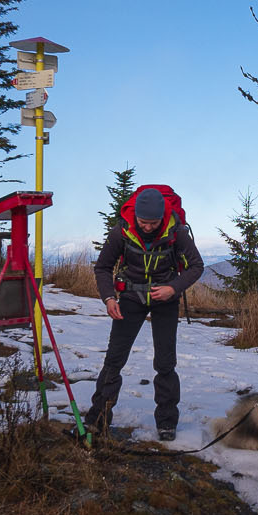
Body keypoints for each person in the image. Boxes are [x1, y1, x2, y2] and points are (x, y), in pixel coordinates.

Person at [89, 186, 203, 441]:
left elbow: (197, 266)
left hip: (165, 300)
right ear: (135, 217)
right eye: (143, 222)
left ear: (162, 217)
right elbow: (103, 267)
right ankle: (97, 420)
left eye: (153, 223)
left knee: (165, 363)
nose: (148, 227)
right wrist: (108, 298)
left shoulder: (177, 231)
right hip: (130, 298)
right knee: (114, 359)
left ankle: (166, 423)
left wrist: (173, 288)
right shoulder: (122, 230)